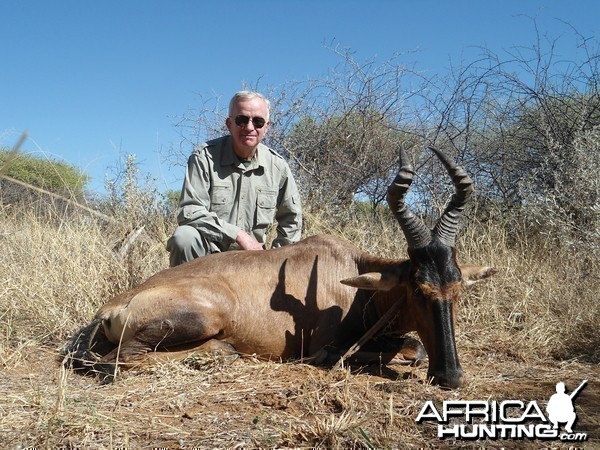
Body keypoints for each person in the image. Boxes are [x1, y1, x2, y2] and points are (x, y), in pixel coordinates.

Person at [167, 90, 302, 267]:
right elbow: (190, 212)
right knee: (184, 237)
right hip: (209, 256)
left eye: (258, 121)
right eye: (242, 120)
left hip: (254, 261)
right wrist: (238, 235)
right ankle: (183, 293)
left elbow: (291, 218)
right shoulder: (204, 157)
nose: (249, 127)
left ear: (267, 127)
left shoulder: (278, 167)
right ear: (229, 124)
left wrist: (276, 260)